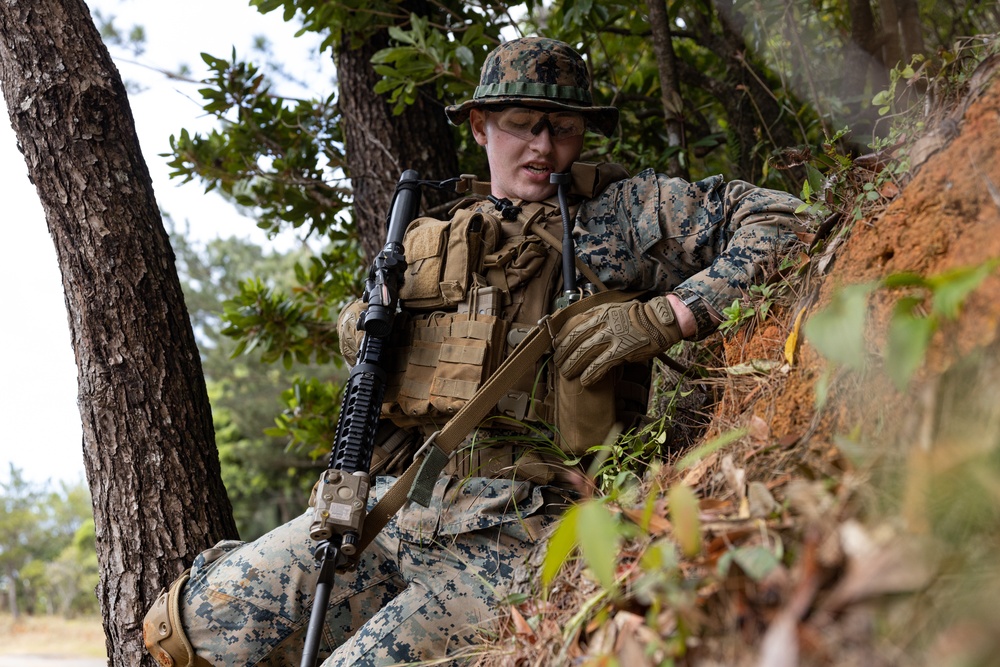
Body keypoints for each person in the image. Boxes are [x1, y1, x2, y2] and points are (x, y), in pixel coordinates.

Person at [143, 37, 805, 666]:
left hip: (519, 529)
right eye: (524, 124)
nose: (546, 146)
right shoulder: (430, 235)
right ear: (482, 126)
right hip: (399, 506)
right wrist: (361, 328)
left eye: (565, 128)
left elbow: (784, 220)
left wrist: (670, 315)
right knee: (188, 627)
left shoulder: (621, 216)